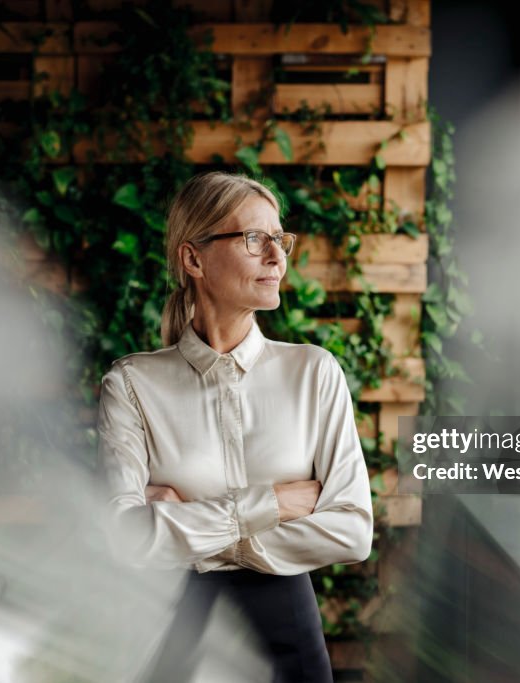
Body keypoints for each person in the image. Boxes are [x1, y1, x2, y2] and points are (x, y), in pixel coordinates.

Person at [97, 171, 373, 682]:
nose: (277, 256)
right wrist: (275, 504)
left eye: (279, 238)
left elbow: (353, 532)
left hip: (290, 640)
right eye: (253, 238)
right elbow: (123, 538)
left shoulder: (314, 372)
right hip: (171, 632)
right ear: (193, 258)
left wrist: (192, 532)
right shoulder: (132, 385)